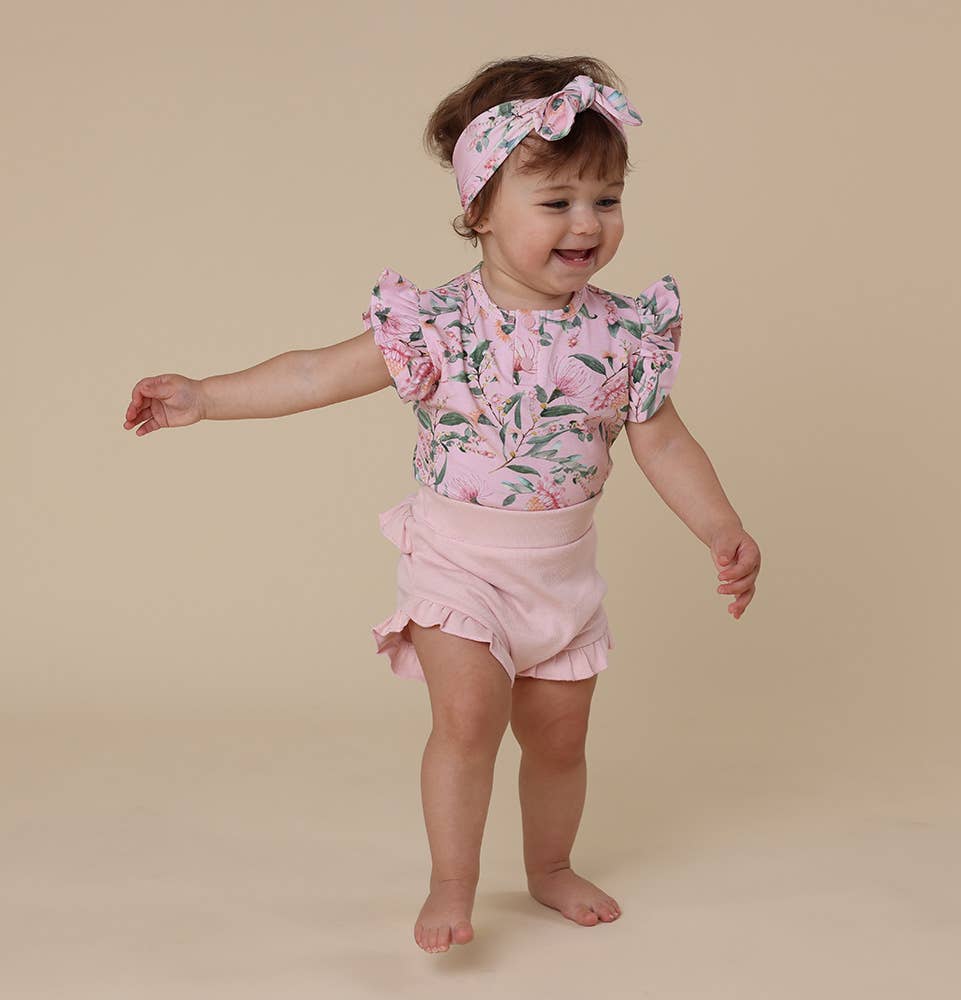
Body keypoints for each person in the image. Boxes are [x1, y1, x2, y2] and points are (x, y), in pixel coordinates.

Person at [122, 55, 761, 956]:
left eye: (607, 199)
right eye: (557, 201)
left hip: (561, 574)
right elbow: (312, 374)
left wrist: (720, 527)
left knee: (560, 743)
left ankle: (550, 867)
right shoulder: (436, 325)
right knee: (468, 723)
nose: (587, 223)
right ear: (480, 211)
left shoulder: (624, 332)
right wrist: (204, 395)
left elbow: (663, 442)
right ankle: (452, 883)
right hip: (458, 567)